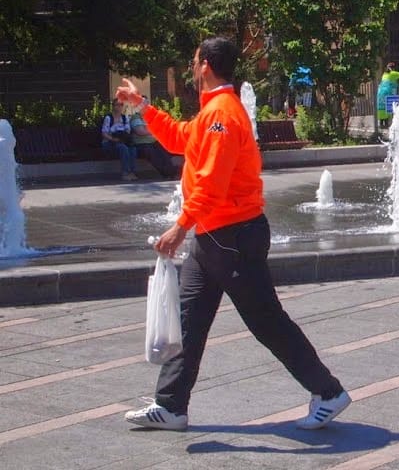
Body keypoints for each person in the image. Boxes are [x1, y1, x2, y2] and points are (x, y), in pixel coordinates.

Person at [117, 37, 350, 431]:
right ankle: (171, 406)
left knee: (266, 320)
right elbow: (179, 139)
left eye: (194, 60)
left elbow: (212, 183)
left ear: (206, 64)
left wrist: (179, 226)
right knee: (188, 318)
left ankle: (327, 392)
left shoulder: (223, 113)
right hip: (215, 237)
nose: (192, 66)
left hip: (232, 237)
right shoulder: (213, 111)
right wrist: (142, 106)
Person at [129, 97, 177, 179]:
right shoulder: (136, 117)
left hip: (153, 141)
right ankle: (165, 173)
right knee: (152, 153)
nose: (146, 105)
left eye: (147, 103)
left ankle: (171, 172)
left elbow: (157, 128)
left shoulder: (150, 116)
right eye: (143, 103)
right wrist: (153, 130)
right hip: (141, 144)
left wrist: (150, 129)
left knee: (164, 149)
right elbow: (140, 132)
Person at [101, 98, 137, 181]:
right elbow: (104, 133)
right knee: (123, 148)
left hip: (122, 140)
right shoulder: (108, 118)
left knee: (133, 149)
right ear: (113, 106)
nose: (120, 107)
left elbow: (127, 130)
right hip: (109, 142)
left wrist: (123, 136)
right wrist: (114, 139)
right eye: (117, 105)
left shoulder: (125, 118)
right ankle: (125, 173)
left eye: (121, 105)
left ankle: (132, 172)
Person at [375, 62, 399, 128]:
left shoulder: (384, 74)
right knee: (389, 107)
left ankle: (381, 123)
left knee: (382, 107)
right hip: (388, 92)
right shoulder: (393, 73)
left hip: (380, 92)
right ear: (393, 68)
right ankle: (387, 124)